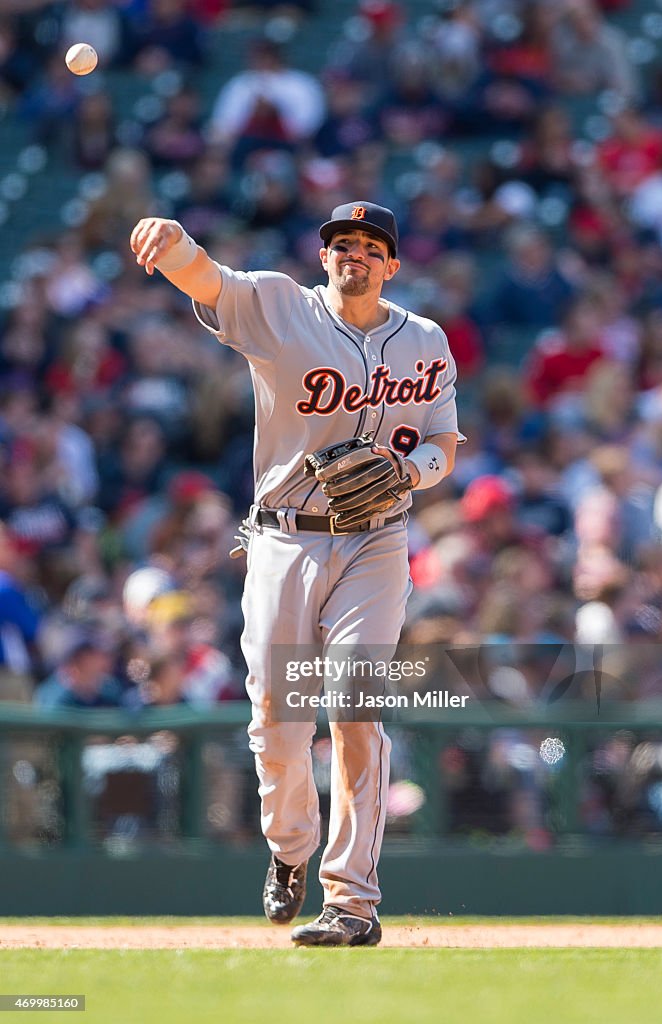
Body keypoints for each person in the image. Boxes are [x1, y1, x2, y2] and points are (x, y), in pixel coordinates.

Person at [130, 200, 463, 946]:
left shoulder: (426, 340)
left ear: (392, 265)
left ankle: (352, 902)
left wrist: (412, 470)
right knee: (278, 724)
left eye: (370, 246)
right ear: (323, 258)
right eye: (341, 243)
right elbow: (208, 280)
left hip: (376, 541)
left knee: (353, 709)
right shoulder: (281, 307)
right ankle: (288, 851)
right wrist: (175, 239)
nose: (354, 254)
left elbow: (444, 441)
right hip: (285, 540)